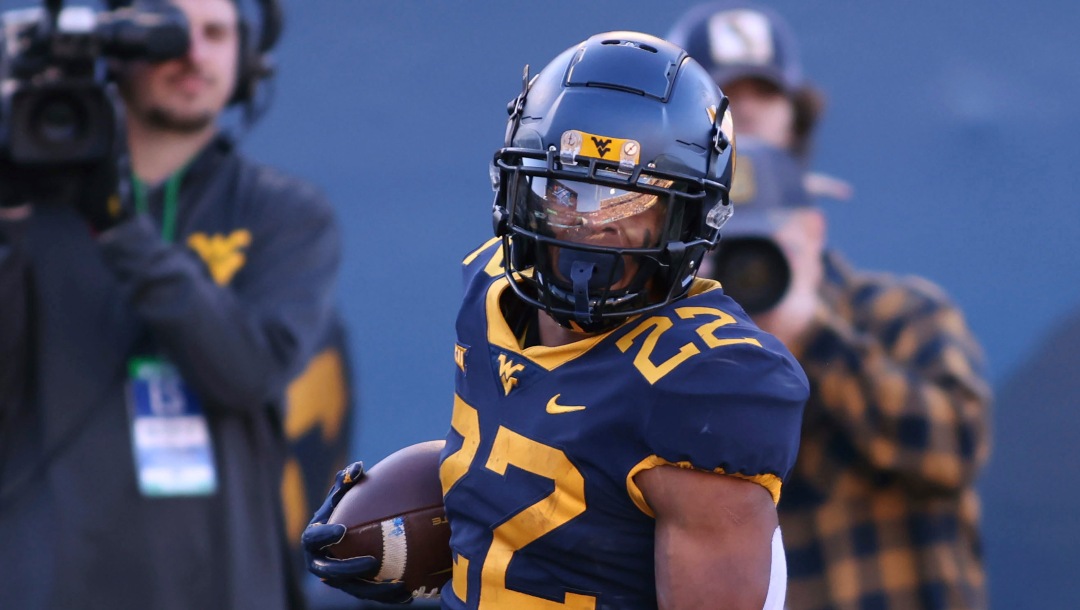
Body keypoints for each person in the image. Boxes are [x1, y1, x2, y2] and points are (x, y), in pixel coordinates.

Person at [301, 31, 808, 610]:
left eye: (633, 204)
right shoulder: (490, 291)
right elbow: (523, 453)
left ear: (691, 219)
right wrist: (407, 513)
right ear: (515, 188)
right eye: (563, 192)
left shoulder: (706, 380)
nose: (590, 227)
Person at [0, 0, 341, 608]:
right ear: (113, 52)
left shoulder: (284, 214)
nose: (191, 53)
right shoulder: (24, 209)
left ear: (248, 61)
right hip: (50, 583)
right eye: (167, 33)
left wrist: (114, 224)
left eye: (214, 33)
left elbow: (247, 373)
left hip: (225, 585)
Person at [668, 4, 994, 609]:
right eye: (720, 95)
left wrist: (802, 326)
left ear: (811, 227)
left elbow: (953, 450)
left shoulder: (901, 316)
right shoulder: (659, 352)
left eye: (764, 92)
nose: (747, 114)